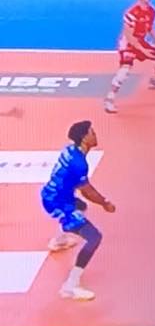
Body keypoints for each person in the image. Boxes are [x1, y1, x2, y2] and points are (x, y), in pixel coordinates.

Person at [41, 121, 116, 302]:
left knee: (81, 207)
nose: (95, 135)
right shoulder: (79, 163)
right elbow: (87, 191)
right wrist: (105, 203)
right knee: (94, 237)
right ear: (84, 138)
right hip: (59, 203)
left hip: (53, 195)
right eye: (91, 132)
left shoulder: (70, 150)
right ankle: (70, 286)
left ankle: (58, 241)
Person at [104, 0, 155, 115]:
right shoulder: (131, 13)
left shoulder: (152, 11)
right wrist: (143, 50)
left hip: (140, 41)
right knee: (124, 71)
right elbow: (129, 36)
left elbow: (151, 28)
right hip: (127, 44)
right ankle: (109, 99)